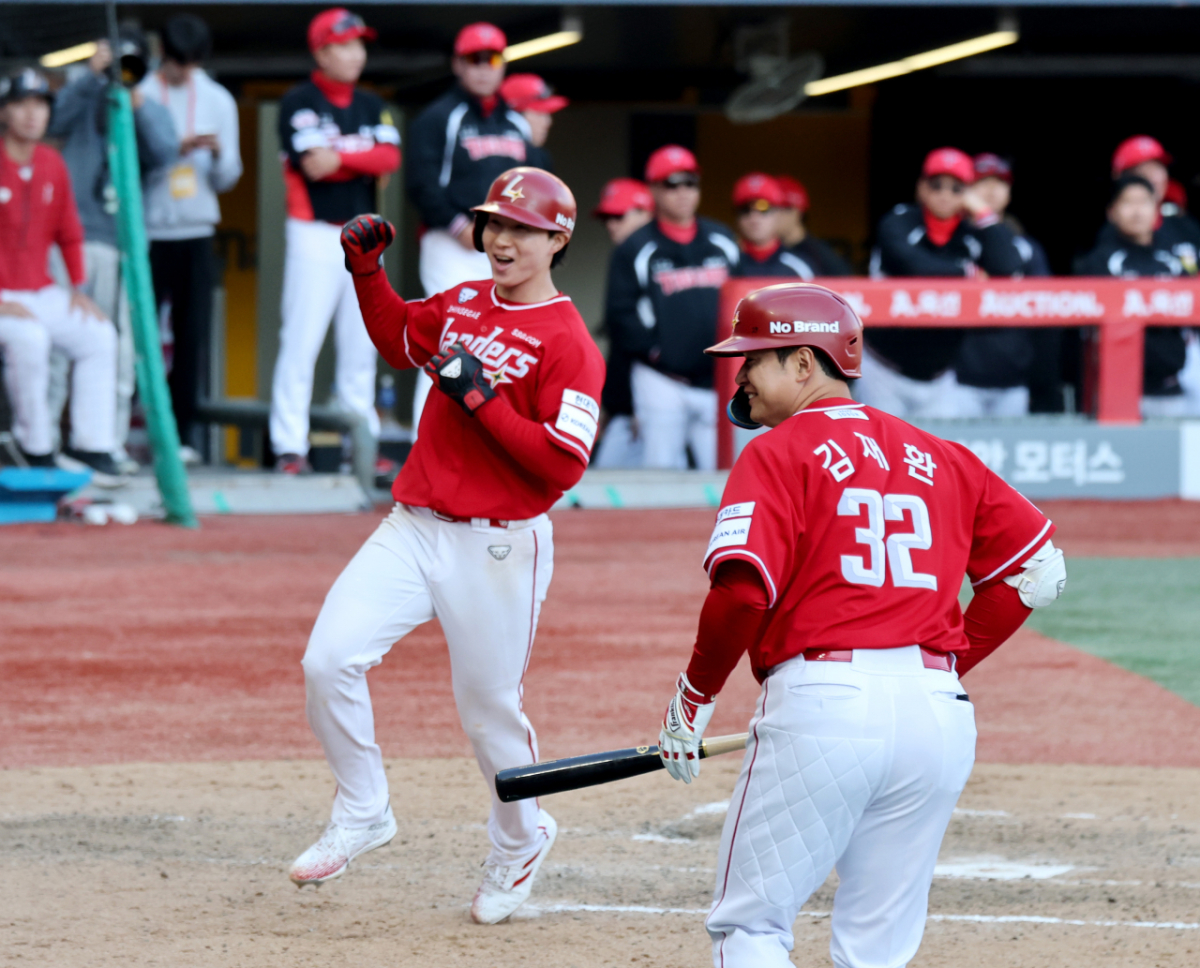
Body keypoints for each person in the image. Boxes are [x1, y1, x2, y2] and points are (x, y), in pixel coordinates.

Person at [655, 281, 1066, 968]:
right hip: (938, 717)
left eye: (752, 359)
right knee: (876, 949)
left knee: (751, 928)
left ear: (803, 363)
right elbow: (1039, 573)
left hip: (825, 707)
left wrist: (692, 700)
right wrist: (938, 668)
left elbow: (742, 595)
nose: (740, 375)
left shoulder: (776, 451)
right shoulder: (939, 452)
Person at [289, 167, 604, 927]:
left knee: (490, 712)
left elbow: (562, 464)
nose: (502, 239)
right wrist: (367, 272)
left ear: (558, 240)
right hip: (413, 524)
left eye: (522, 229)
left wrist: (480, 400)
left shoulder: (571, 342)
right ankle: (364, 809)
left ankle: (521, 841)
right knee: (328, 660)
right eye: (495, 223)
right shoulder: (464, 300)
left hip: (500, 545)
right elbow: (399, 339)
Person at [267, 8, 401, 474]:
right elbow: (312, 164)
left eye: (359, 44)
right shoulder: (298, 101)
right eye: (344, 45)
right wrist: (360, 156)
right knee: (301, 342)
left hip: (363, 235)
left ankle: (358, 446)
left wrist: (340, 156)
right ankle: (289, 446)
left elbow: (389, 158)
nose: (355, 54)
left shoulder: (372, 103)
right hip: (314, 231)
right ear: (321, 52)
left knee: (361, 345)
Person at [46, 28, 177, 471]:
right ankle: (46, 443)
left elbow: (165, 152)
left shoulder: (147, 106)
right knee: (58, 344)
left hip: (124, 244)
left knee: (119, 349)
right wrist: (91, 75)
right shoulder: (84, 94)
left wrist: (135, 99)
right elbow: (52, 122)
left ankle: (109, 443)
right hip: (74, 237)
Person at [406, 22, 537, 435]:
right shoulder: (438, 117)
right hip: (453, 244)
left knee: (503, 344)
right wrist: (459, 224)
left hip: (504, 247)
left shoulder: (516, 123)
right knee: (451, 343)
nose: (483, 67)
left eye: (491, 58)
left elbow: (534, 187)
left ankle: (486, 445)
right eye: (474, 59)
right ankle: (425, 442)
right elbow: (420, 183)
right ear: (458, 64)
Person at [0, 69, 124, 485]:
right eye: (21, 104)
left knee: (99, 335)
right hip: (3, 297)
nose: (32, 114)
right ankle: (35, 448)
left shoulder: (52, 163)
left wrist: (79, 289)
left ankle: (91, 444)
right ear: (5, 111)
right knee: (29, 338)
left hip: (40, 290)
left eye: (40, 104)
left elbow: (70, 233)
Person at [137, 13, 242, 461]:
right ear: (163, 53)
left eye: (193, 63)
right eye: (179, 62)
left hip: (197, 228)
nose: (185, 71)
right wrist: (171, 149)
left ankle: (183, 436)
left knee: (190, 336)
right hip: (148, 229)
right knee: (139, 334)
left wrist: (216, 155)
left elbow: (229, 177)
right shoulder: (140, 93)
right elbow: (126, 166)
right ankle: (132, 430)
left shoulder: (218, 99)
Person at [861, 147, 1021, 419]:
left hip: (940, 378)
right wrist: (969, 273)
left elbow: (1008, 267)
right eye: (936, 185)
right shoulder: (899, 220)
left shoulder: (971, 233)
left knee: (937, 447)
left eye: (956, 187)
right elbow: (915, 267)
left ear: (967, 193)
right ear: (921, 187)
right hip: (882, 369)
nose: (945, 194)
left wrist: (983, 212)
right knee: (881, 446)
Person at [606, 145, 739, 469]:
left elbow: (746, 300)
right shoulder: (636, 247)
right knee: (662, 472)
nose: (683, 192)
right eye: (672, 184)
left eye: (690, 182)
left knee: (725, 473)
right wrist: (657, 352)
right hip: (661, 381)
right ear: (653, 189)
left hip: (718, 379)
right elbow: (619, 314)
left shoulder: (722, 239)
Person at [1075, 174, 1191, 417]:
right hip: (1115, 390)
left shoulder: (1175, 260)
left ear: (1156, 209)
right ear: (1112, 212)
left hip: (1170, 387)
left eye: (1144, 202)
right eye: (1128, 202)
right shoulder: (1098, 262)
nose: (1137, 211)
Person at [951, 153, 1051, 417]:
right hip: (955, 380)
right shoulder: (949, 241)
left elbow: (1047, 312)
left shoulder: (1027, 248)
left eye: (1000, 183)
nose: (992, 190)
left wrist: (1040, 382)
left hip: (1012, 379)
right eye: (982, 182)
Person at [592, 177, 654, 468]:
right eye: (607, 218)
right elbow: (621, 339)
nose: (611, 225)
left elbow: (647, 344)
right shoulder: (624, 256)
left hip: (654, 402)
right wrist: (611, 401)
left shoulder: (659, 257)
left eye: (619, 216)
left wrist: (641, 405)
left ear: (646, 213)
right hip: (625, 407)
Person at [1110, 135, 1200, 273]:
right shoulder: (1103, 243)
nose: (1154, 178)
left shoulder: (1185, 226)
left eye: (1157, 168)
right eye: (1143, 170)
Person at [730, 173, 816, 279]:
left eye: (764, 207)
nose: (754, 217)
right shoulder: (725, 262)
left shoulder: (799, 266)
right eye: (745, 209)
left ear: (778, 213)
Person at [775, 174, 854, 276]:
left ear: (797, 211)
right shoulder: (765, 253)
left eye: (777, 209)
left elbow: (848, 282)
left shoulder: (820, 255)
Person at [497, 73, 567, 170]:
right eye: (540, 113)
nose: (548, 122)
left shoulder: (539, 157)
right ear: (515, 117)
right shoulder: (498, 158)